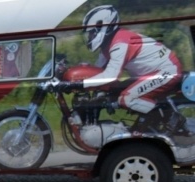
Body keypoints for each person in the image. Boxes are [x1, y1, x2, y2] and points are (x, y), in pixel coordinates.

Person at [61, 5, 186, 136]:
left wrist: (80, 84)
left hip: (167, 70)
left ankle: (168, 116)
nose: (90, 37)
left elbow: (111, 75)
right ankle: (147, 123)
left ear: (103, 27)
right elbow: (98, 72)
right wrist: (75, 79)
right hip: (151, 73)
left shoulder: (120, 43)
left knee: (127, 98)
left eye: (92, 33)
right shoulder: (107, 45)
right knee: (113, 93)